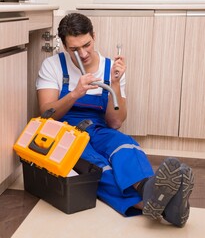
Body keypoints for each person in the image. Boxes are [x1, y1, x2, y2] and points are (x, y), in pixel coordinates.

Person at [36, 13, 194, 227]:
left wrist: (116, 84)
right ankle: (162, 204)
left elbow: (115, 123)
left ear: (94, 36)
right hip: (64, 130)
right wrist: (74, 94)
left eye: (86, 45)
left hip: (98, 127)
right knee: (94, 164)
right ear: (64, 46)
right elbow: (46, 114)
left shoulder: (111, 67)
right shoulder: (52, 65)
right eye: (74, 49)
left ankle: (154, 193)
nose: (82, 54)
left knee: (125, 145)